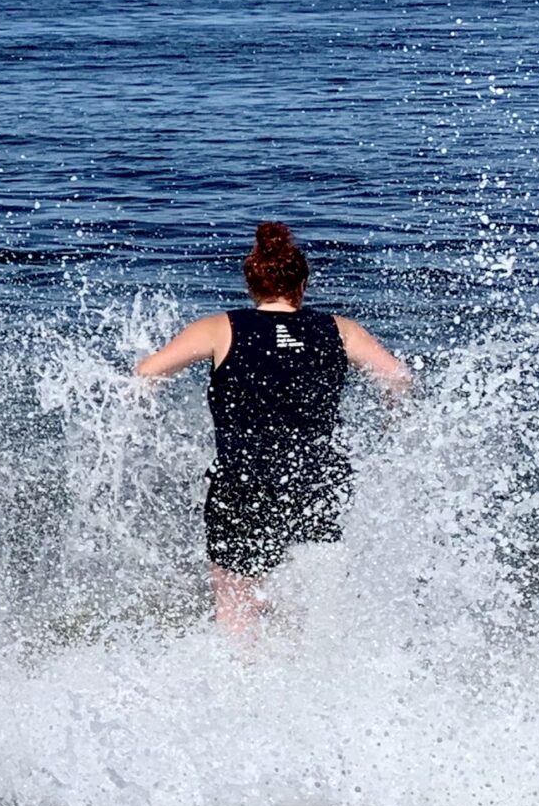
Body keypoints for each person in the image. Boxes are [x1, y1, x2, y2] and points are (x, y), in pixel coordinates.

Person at [133, 220, 411, 631]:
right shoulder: (340, 330)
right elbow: (400, 379)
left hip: (245, 480)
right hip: (318, 479)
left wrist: (149, 422)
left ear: (251, 286)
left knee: (236, 601)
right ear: (302, 285)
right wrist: (390, 427)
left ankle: (247, 680)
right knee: (310, 595)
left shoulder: (220, 328)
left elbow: (146, 374)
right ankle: (310, 673)